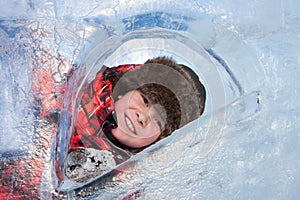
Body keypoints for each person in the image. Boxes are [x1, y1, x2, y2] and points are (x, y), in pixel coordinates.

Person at [64, 56, 206, 183]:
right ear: (126, 89)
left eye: (158, 121)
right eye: (145, 100)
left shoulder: (125, 182)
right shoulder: (72, 82)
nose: (143, 117)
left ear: (157, 141)